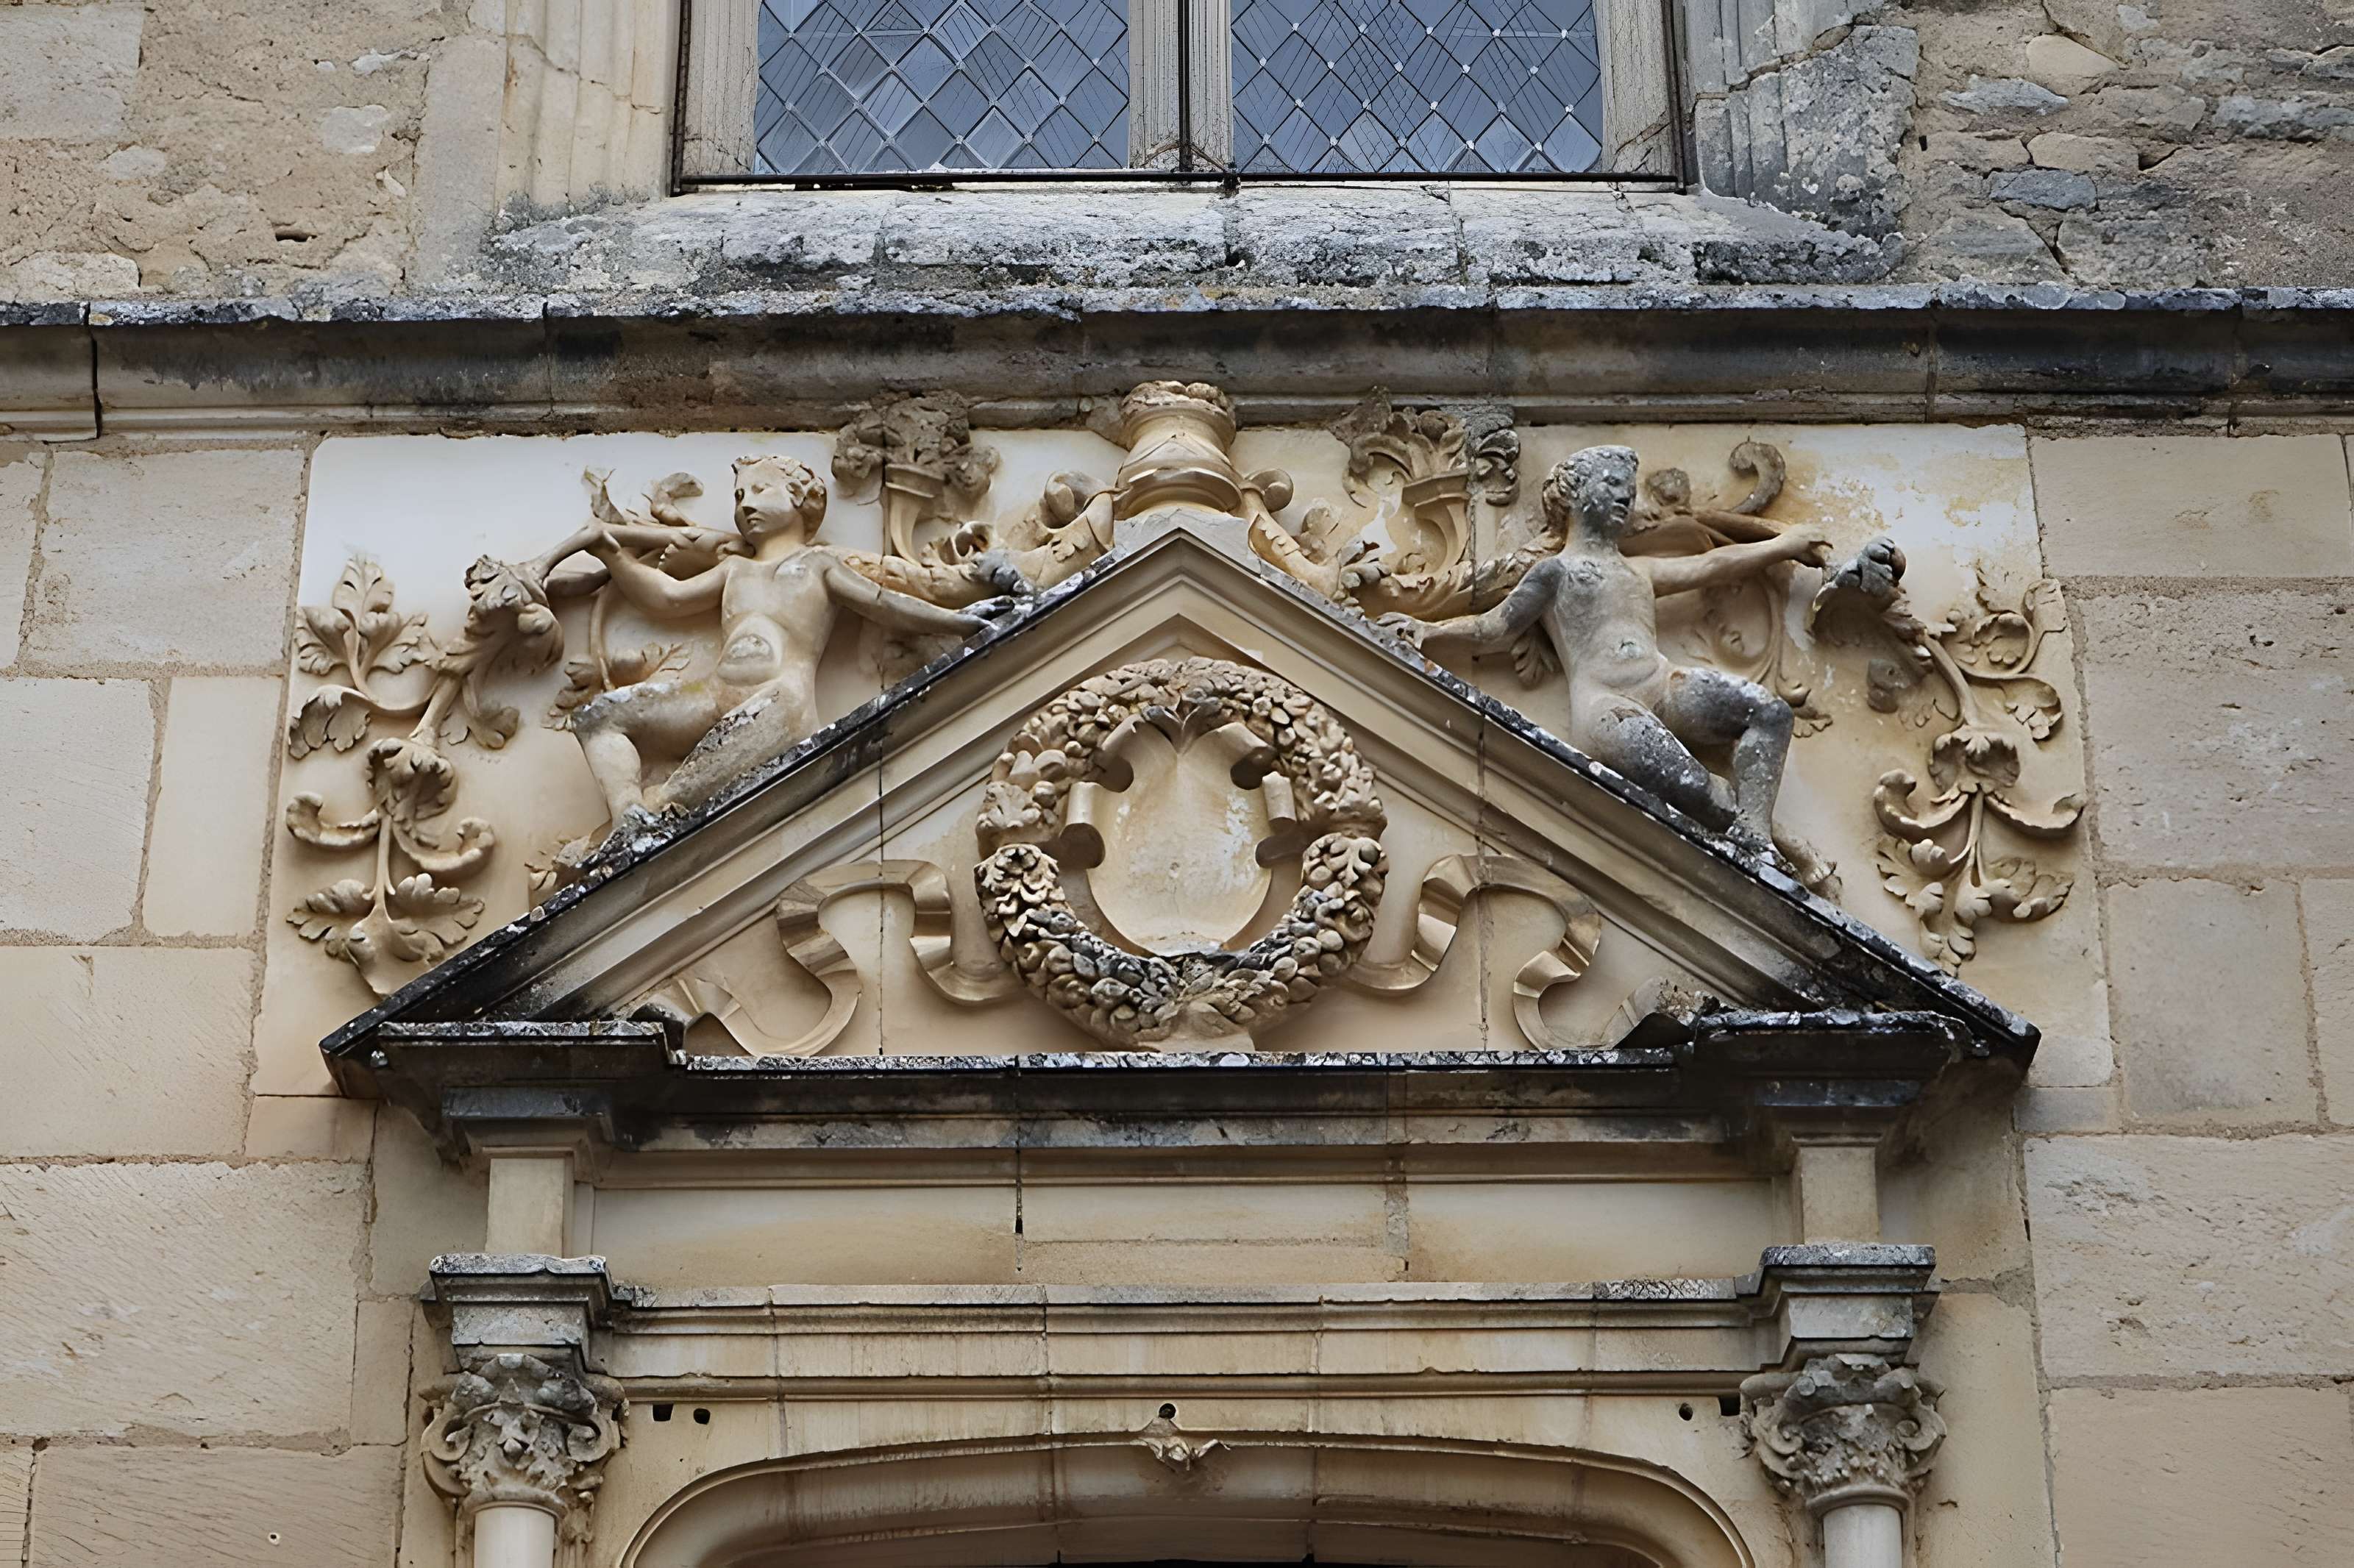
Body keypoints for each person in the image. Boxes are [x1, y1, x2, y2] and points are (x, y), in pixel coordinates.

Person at [1383, 444, 1831, 855]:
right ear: (1574, 495)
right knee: (1692, 787)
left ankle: (1757, 837)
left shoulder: (1639, 572)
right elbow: (1494, 627)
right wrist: (1426, 630)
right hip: (1608, 707)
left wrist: (1781, 547)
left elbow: (1710, 565)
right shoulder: (1554, 573)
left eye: (1628, 490)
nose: (1624, 498)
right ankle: (1767, 842)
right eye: (1612, 485)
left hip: (1660, 684)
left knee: (1769, 713)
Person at [571, 454, 1013, 824]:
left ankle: (651, 814)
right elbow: (668, 597)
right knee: (597, 717)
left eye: (761, 491)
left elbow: (884, 603)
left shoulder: (817, 565)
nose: (745, 505)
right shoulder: (735, 570)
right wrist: (611, 553)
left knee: (674, 799)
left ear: (801, 498)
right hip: (713, 696)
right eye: (740, 496)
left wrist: (959, 622)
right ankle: (629, 819)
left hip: (780, 703)